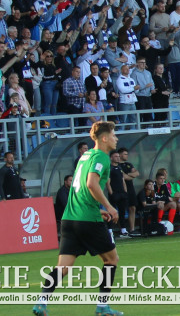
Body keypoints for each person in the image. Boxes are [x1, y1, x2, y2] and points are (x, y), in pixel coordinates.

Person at [35, 120, 123, 316]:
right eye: (114, 134)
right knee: (111, 260)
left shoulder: (86, 156)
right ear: (105, 138)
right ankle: (102, 307)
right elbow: (92, 184)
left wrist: (95, 209)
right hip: (87, 221)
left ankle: (41, 303)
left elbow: (81, 186)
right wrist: (108, 206)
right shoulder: (101, 156)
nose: (116, 138)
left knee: (63, 267)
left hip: (70, 219)